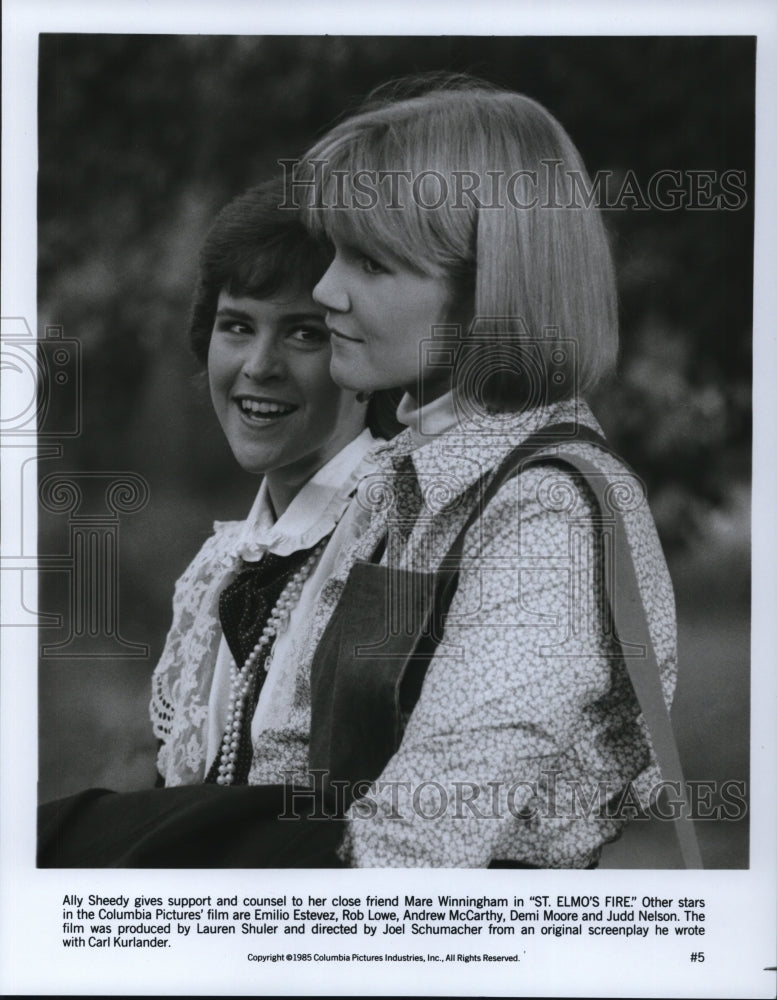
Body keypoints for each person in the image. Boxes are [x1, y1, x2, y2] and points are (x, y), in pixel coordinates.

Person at [280, 76, 693, 868]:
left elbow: (415, 849)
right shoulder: (405, 478)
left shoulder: (547, 514)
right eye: (333, 252)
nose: (323, 289)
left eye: (369, 262)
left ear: (487, 297)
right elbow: (292, 771)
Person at [37, 178, 398, 866]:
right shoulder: (217, 568)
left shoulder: (400, 533)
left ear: (364, 353)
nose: (259, 367)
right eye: (237, 326)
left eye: (303, 333)